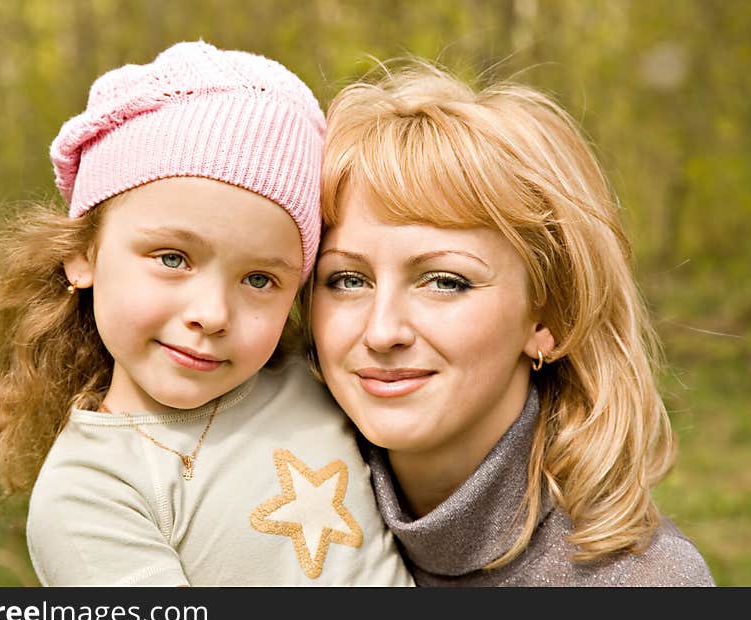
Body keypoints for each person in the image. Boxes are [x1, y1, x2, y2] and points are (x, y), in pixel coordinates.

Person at [0, 41, 413, 587]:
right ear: (82, 252)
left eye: (259, 280)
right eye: (173, 259)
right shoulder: (91, 491)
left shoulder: (315, 379)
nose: (212, 314)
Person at [305, 60, 715, 586]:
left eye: (445, 281)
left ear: (550, 317)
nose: (383, 332)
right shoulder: (251, 500)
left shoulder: (643, 582)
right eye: (347, 280)